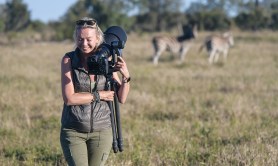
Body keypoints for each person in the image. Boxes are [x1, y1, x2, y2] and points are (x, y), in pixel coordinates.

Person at [60, 17, 130, 166]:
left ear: (98, 37)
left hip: (102, 130)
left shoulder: (106, 58)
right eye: (80, 39)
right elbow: (70, 99)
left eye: (88, 39)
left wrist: (126, 76)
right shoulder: (69, 60)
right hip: (74, 131)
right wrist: (100, 95)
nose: (84, 44)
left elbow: (121, 98)